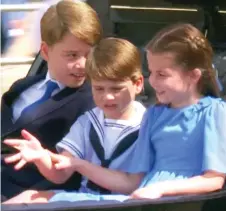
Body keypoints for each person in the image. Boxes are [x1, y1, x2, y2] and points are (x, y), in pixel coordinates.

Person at [3, 37, 146, 204]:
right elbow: (60, 175)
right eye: (99, 88)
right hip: (85, 199)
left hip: (128, 202)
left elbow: (132, 184)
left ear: (137, 84)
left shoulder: (147, 125)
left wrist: (79, 165)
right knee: (27, 198)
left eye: (116, 89)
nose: (107, 96)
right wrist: (42, 158)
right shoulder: (87, 122)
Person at [1, 0, 102, 200]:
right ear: (46, 52)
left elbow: (73, 172)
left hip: (23, 194)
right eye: (72, 55)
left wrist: (38, 196)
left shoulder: (92, 102)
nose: (82, 65)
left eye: (89, 55)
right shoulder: (24, 87)